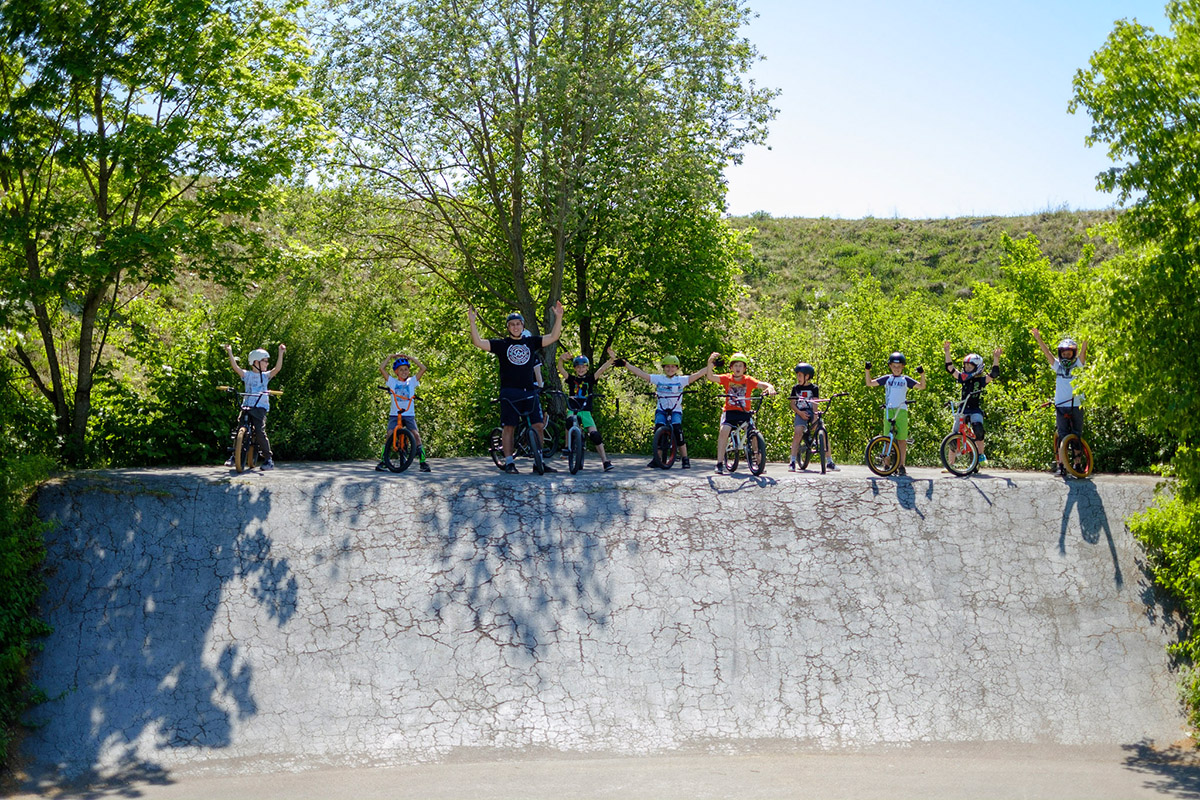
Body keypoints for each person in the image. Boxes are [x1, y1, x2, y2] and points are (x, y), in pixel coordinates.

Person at [468, 303, 564, 474]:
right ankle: (510, 462)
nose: (515, 327)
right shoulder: (502, 344)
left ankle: (538, 462)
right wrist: (472, 322)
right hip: (509, 392)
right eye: (512, 324)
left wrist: (559, 317)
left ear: (523, 326)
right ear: (508, 327)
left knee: (538, 426)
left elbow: (554, 336)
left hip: (529, 392)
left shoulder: (531, 342)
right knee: (509, 427)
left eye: (518, 324)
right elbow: (478, 342)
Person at [610, 349, 713, 469]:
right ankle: (657, 459)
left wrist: (711, 365)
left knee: (678, 430)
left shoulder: (681, 380)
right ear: (664, 368)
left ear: (677, 368)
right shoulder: (659, 379)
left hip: (675, 411)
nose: (670, 369)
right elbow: (641, 374)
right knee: (658, 428)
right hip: (662, 410)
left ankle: (685, 458)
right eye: (667, 367)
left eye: (673, 367)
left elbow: (698, 374)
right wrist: (626, 364)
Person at [707, 352, 777, 475]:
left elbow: (762, 384)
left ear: (744, 368)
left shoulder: (748, 380)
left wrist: (770, 387)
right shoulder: (727, 379)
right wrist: (710, 364)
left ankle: (758, 461)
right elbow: (711, 377)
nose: (738, 368)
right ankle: (719, 463)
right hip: (730, 412)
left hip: (744, 412)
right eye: (735, 366)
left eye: (740, 366)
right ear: (731, 368)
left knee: (753, 433)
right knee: (724, 431)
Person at [1031, 328, 1087, 475]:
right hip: (1061, 406)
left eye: (1069, 353)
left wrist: (1086, 339)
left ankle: (1077, 465)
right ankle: (1061, 465)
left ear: (1073, 354)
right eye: (1064, 354)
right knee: (1062, 435)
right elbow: (1047, 354)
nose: (1066, 356)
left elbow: (1083, 354)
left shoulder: (1078, 366)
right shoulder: (1058, 367)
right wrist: (1038, 338)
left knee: (1076, 436)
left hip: (1076, 405)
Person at [224, 343, 285, 470]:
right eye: (265, 361)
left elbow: (277, 369)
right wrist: (230, 352)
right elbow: (235, 367)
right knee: (239, 428)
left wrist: (281, 353)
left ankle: (268, 459)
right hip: (247, 405)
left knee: (259, 431)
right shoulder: (247, 375)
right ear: (256, 362)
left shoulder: (265, 376)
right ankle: (234, 456)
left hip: (260, 407)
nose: (267, 363)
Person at [865, 352, 926, 476]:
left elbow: (921, 386)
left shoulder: (905, 379)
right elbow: (870, 383)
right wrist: (867, 370)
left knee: (901, 440)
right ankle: (886, 464)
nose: (896, 369)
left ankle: (901, 465)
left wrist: (922, 374)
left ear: (903, 367)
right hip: (890, 410)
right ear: (890, 366)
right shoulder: (887, 378)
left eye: (899, 367)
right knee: (887, 439)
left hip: (901, 411)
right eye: (894, 366)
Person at [942, 342, 1002, 466]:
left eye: (970, 367)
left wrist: (996, 359)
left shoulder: (980, 380)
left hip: (974, 409)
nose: (967, 369)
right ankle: (950, 464)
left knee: (978, 429)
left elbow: (994, 374)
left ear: (978, 367)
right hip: (962, 408)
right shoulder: (962, 378)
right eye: (966, 366)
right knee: (954, 434)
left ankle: (980, 455)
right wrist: (947, 352)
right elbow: (950, 368)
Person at [556, 350, 617, 471]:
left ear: (587, 368)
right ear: (575, 368)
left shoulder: (590, 379)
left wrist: (611, 360)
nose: (580, 369)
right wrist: (561, 360)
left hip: (586, 411)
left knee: (595, 436)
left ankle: (605, 461)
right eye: (578, 367)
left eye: (583, 367)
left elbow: (601, 370)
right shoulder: (571, 378)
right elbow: (561, 370)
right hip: (573, 410)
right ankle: (567, 448)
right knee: (569, 422)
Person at [376, 353, 430, 472]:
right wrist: (389, 357)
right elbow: (381, 368)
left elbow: (423, 368)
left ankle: (423, 462)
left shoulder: (412, 381)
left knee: (416, 435)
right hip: (395, 414)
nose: (404, 372)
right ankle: (384, 461)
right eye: (401, 370)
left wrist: (411, 358)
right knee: (390, 434)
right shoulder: (392, 382)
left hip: (409, 414)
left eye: (406, 369)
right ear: (396, 372)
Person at [788, 362, 836, 472]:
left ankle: (829, 461)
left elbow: (815, 403)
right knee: (798, 432)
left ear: (807, 376)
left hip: (811, 412)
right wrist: (800, 413)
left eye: (800, 375)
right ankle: (792, 461)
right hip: (800, 412)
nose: (798, 378)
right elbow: (792, 404)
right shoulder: (795, 388)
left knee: (823, 432)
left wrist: (815, 416)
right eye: (797, 375)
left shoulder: (814, 388)